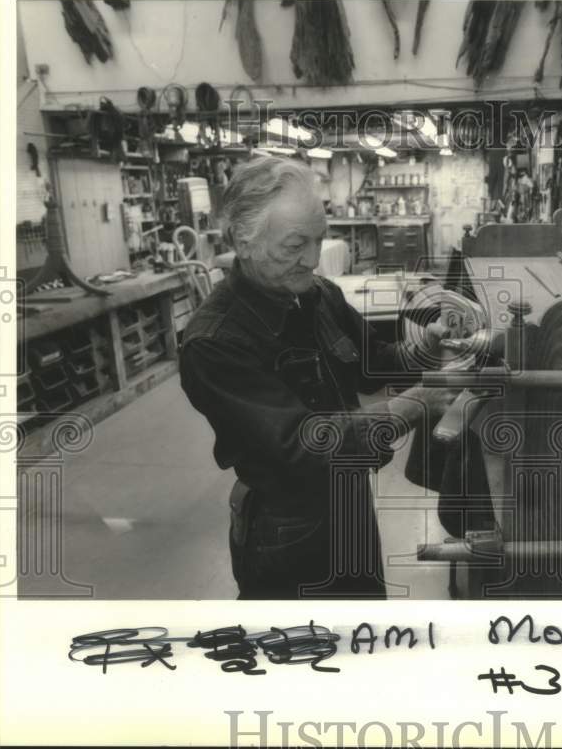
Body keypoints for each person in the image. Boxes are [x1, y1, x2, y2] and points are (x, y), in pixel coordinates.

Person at [179, 157, 458, 599]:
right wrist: (416, 404)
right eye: (295, 246)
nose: (312, 259)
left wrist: (426, 344)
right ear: (243, 242)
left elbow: (373, 363)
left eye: (319, 240)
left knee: (362, 623)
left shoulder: (316, 294)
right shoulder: (214, 343)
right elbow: (303, 441)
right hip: (288, 530)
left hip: (349, 501)